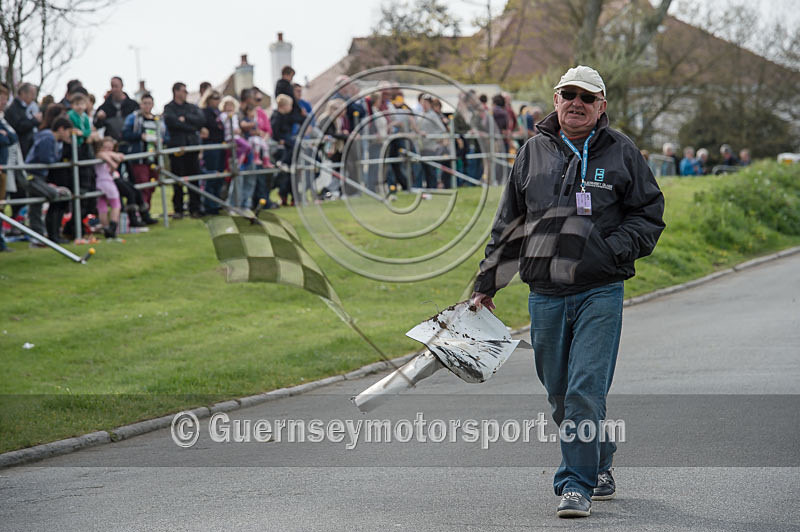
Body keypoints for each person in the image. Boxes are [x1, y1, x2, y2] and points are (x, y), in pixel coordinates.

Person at [470, 65, 665, 519]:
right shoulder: (532, 153)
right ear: (555, 101)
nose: (575, 103)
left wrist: (610, 251)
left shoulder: (622, 153)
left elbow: (649, 214)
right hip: (545, 292)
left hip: (600, 291)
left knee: (583, 390)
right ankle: (597, 458)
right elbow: (509, 224)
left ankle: (574, 484)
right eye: (567, 95)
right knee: (559, 392)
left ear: (601, 107)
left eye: (585, 97)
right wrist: (487, 282)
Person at [23, 117, 74, 244]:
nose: (69, 135)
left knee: (35, 206)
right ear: (61, 129)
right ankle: (42, 235)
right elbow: (47, 159)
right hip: (32, 175)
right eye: (68, 131)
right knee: (54, 194)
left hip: (39, 175)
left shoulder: (53, 140)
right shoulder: (48, 138)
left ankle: (38, 237)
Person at [163, 82, 206, 218]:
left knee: (194, 178)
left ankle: (195, 208)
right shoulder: (169, 108)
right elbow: (172, 123)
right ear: (176, 91)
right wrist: (192, 127)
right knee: (178, 180)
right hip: (177, 147)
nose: (186, 93)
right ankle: (179, 209)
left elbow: (201, 120)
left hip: (191, 147)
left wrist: (185, 119)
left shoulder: (191, 107)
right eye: (183, 90)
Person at [122, 92, 163, 219]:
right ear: (140, 104)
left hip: (153, 158)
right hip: (139, 159)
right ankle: (142, 214)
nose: (147, 106)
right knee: (142, 185)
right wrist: (140, 136)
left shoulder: (157, 120)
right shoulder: (133, 118)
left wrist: (160, 140)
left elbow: (165, 136)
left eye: (149, 103)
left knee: (152, 186)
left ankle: (147, 211)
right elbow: (125, 134)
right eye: (144, 103)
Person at [198, 90, 225, 214]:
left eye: (219, 98)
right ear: (208, 99)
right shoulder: (204, 113)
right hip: (210, 146)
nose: (217, 101)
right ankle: (210, 204)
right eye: (215, 98)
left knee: (220, 176)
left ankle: (216, 201)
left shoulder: (220, 113)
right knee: (212, 176)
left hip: (220, 146)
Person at [93, 137, 124, 239]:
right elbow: (113, 163)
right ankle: (111, 227)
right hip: (106, 182)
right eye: (105, 147)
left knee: (102, 206)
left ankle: (107, 229)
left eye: (110, 148)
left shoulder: (104, 155)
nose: (108, 150)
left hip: (101, 182)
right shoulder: (100, 154)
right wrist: (114, 157)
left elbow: (113, 168)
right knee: (116, 204)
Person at [93, 76, 139, 143]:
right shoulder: (105, 107)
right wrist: (99, 118)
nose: (114, 89)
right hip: (113, 144)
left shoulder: (133, 105)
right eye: (112, 86)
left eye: (116, 86)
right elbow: (97, 125)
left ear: (122, 86)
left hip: (131, 142)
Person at [5, 83, 41, 157]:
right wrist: (35, 120)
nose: (34, 97)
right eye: (32, 94)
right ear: (23, 93)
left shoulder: (26, 107)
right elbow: (19, 126)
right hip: (20, 149)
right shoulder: (13, 108)